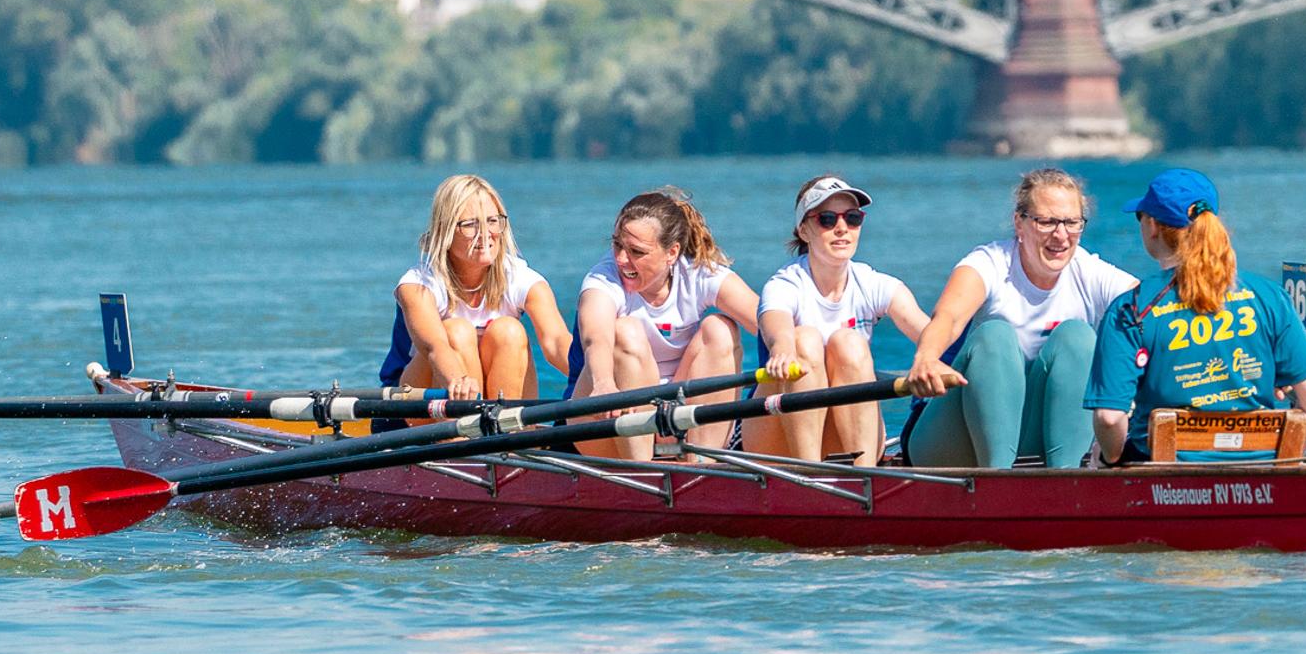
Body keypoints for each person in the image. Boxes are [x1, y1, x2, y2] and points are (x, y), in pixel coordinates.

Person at [1086, 167, 1306, 462]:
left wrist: (1109, 457)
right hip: (1262, 466)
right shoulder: (1270, 297)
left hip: (1164, 476)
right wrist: (1290, 453)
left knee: (1100, 452)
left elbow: (1110, 419)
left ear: (1151, 225)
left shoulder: (1132, 308)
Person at [897, 167, 1136, 467]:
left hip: (1029, 436)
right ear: (1019, 224)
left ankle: (1066, 479)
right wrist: (927, 357)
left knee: (1079, 338)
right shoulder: (989, 263)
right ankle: (999, 480)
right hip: (949, 441)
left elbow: (1156, 315)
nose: (1061, 235)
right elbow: (948, 318)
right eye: (1047, 222)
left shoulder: (1091, 273)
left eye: (1072, 223)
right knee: (995, 336)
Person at [753, 172, 928, 464]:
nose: (842, 228)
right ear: (803, 230)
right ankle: (810, 476)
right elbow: (777, 327)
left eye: (852, 218)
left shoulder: (875, 284)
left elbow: (929, 334)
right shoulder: (783, 285)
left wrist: (944, 358)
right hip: (777, 436)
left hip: (849, 434)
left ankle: (863, 477)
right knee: (804, 339)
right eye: (827, 219)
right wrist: (782, 349)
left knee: (849, 342)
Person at [575, 187, 749, 459]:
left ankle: (701, 468)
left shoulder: (699, 275)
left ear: (672, 252)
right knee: (625, 330)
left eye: (636, 251)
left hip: (675, 415)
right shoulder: (602, 280)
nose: (621, 259)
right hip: (604, 416)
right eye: (618, 245)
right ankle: (642, 473)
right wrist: (604, 383)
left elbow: (767, 321)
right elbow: (596, 336)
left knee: (721, 329)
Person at [379, 172, 572, 401]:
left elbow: (556, 341)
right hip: (410, 405)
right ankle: (461, 432)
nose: (485, 234)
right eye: (471, 224)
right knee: (456, 331)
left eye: (492, 221)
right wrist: (457, 379)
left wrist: (599, 381)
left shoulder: (523, 280)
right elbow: (436, 347)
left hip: (483, 400)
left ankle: (509, 431)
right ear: (446, 232)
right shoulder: (418, 286)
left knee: (509, 331)